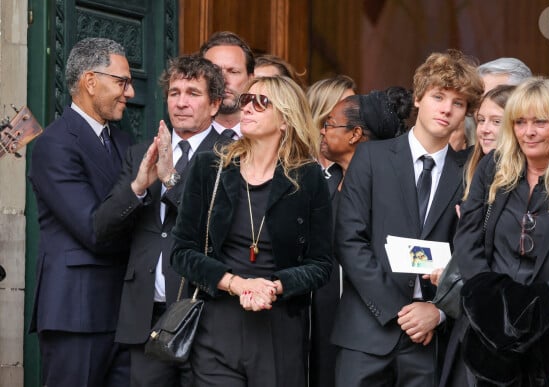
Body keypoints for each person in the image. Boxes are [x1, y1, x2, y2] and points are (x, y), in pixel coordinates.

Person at [331, 49, 483, 387]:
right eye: (438, 96)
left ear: (466, 114)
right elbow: (348, 239)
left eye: (458, 103)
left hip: (430, 339)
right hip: (367, 332)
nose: (446, 108)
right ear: (418, 98)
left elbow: (472, 254)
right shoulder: (371, 157)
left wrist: (440, 311)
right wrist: (400, 311)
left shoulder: (471, 173)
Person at [170, 75, 333, 386]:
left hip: (279, 328)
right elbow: (181, 252)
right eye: (246, 100)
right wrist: (236, 284)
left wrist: (273, 286)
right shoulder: (209, 167)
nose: (247, 108)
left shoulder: (308, 178)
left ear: (285, 119)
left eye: (261, 102)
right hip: (217, 325)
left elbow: (321, 265)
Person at [93, 54, 228, 386]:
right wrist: (139, 186)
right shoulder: (140, 153)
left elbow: (216, 226)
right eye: (174, 93)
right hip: (147, 317)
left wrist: (170, 181)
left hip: (205, 312)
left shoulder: (232, 154)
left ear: (214, 105)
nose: (181, 102)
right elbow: (101, 228)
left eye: (193, 93)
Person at [28, 37, 134, 387]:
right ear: (91, 81)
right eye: (122, 82)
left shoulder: (123, 142)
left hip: (127, 312)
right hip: (76, 312)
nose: (130, 92)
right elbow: (92, 228)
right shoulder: (54, 144)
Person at [454, 77, 549, 386]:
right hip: (487, 334)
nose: (528, 132)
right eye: (520, 122)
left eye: (540, 122)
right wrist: (486, 298)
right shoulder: (494, 166)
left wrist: (541, 302)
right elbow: (468, 236)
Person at [311, 87, 412, 387]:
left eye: (329, 124)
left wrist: (395, 311)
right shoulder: (327, 184)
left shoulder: (394, 189)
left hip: (386, 328)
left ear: (355, 134)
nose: (323, 131)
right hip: (331, 322)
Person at [201, 31, 254, 138]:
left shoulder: (267, 140)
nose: (223, 81)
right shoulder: (184, 142)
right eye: (214, 72)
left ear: (251, 79)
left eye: (233, 72)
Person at [307, 74, 357, 172]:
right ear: (322, 111)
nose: (355, 113)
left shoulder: (362, 162)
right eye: (347, 106)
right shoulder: (295, 163)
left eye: (355, 106)